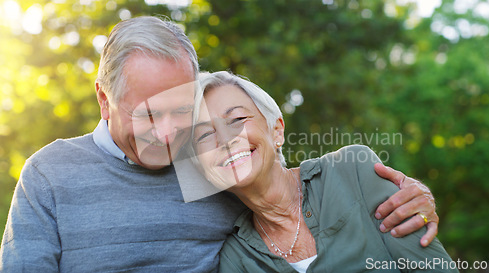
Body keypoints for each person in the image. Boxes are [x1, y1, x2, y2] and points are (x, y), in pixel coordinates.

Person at [0, 16, 437, 272]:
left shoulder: (207, 166)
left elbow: (281, 178)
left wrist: (408, 196)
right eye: (148, 114)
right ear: (103, 100)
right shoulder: (50, 173)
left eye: (182, 109)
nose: (169, 133)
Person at [191, 71, 456, 272]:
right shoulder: (234, 259)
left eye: (237, 119)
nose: (225, 139)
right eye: (204, 135)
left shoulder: (353, 170)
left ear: (277, 130)